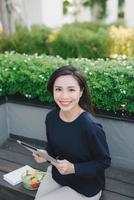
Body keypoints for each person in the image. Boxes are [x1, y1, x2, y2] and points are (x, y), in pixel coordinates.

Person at [33, 65, 111, 200]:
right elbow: (52, 149)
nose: (64, 96)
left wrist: (74, 168)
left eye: (71, 89)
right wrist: (45, 155)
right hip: (58, 175)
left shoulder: (90, 126)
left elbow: (104, 162)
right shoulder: (51, 117)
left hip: (86, 186)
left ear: (81, 92)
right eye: (58, 89)